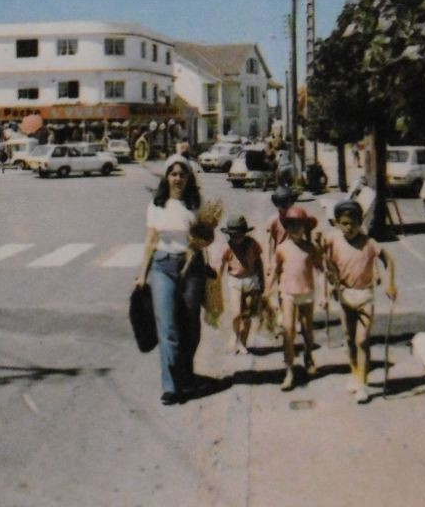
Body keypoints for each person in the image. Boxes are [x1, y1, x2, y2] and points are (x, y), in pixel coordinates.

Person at [134, 155, 210, 405]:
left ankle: (186, 375)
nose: (178, 178)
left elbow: (206, 238)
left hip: (192, 268)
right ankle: (171, 385)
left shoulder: (197, 204)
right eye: (173, 174)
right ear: (167, 177)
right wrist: (142, 273)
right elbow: (151, 240)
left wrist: (200, 248)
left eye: (183, 174)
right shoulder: (156, 205)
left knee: (191, 324)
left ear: (189, 177)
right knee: (167, 327)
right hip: (163, 267)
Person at [323, 199, 398, 403]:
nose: (350, 228)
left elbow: (389, 260)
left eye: (354, 223)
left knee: (362, 340)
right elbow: (326, 260)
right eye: (345, 223)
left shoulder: (369, 243)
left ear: (360, 222)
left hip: (365, 296)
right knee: (349, 339)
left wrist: (390, 284)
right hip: (345, 295)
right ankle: (355, 374)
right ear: (338, 223)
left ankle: (363, 384)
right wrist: (332, 283)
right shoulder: (333, 240)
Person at [265, 204, 322, 391]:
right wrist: (267, 291)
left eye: (299, 225)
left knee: (307, 330)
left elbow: (321, 270)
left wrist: (326, 293)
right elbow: (274, 271)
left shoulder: (311, 248)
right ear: (286, 227)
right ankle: (289, 370)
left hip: (306, 293)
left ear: (305, 227)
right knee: (288, 331)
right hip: (287, 293)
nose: (295, 229)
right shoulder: (282, 248)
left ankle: (308, 356)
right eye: (291, 225)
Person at [215, 214, 266, 354]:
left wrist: (262, 280)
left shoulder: (252, 244)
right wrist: (216, 282)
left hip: (251, 279)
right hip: (235, 281)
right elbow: (222, 263)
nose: (236, 238)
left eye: (239, 235)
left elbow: (258, 262)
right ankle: (235, 336)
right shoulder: (227, 247)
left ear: (244, 233)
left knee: (248, 313)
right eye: (233, 236)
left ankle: (243, 342)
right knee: (236, 313)